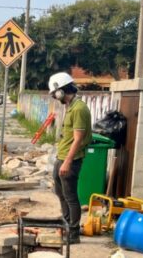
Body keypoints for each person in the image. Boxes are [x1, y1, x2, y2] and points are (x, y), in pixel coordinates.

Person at [48, 72, 92, 244]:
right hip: (62, 156)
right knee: (60, 192)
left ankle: (73, 233)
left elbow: (78, 138)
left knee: (71, 196)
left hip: (70, 160)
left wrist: (67, 162)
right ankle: (66, 224)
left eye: (55, 93)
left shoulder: (79, 109)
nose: (54, 97)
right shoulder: (71, 106)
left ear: (61, 91)